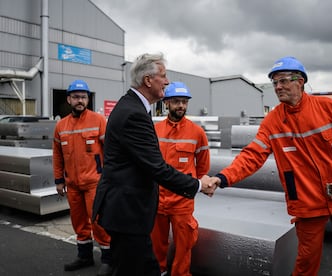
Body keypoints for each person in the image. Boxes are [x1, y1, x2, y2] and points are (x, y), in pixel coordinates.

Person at [211, 56, 332, 275]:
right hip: (308, 204)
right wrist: (222, 178)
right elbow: (252, 156)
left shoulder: (329, 108)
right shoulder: (272, 121)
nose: (278, 87)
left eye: (284, 81)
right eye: (274, 82)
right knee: (305, 264)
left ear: (301, 81)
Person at [92, 53, 216, 276]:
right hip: (128, 211)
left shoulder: (132, 107)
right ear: (148, 80)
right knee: (144, 267)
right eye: (163, 76)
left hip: (133, 208)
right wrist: (198, 185)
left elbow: (200, 163)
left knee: (133, 266)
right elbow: (156, 167)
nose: (166, 82)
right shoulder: (134, 114)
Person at [52, 79, 112, 276]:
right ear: (69, 99)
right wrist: (59, 180)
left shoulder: (98, 120)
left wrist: (111, 179)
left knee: (99, 221)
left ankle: (108, 259)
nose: (80, 100)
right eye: (76, 97)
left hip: (95, 182)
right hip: (73, 184)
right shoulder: (61, 125)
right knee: (79, 222)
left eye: (83, 97)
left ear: (88, 99)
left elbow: (111, 152)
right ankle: (84, 256)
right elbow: (58, 155)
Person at [151, 82, 210, 276]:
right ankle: (159, 271)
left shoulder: (197, 132)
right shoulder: (155, 130)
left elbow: (203, 166)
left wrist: (196, 186)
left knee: (184, 245)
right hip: (157, 199)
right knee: (156, 243)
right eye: (176, 102)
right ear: (166, 103)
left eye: (184, 102)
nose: (181, 106)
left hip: (182, 201)